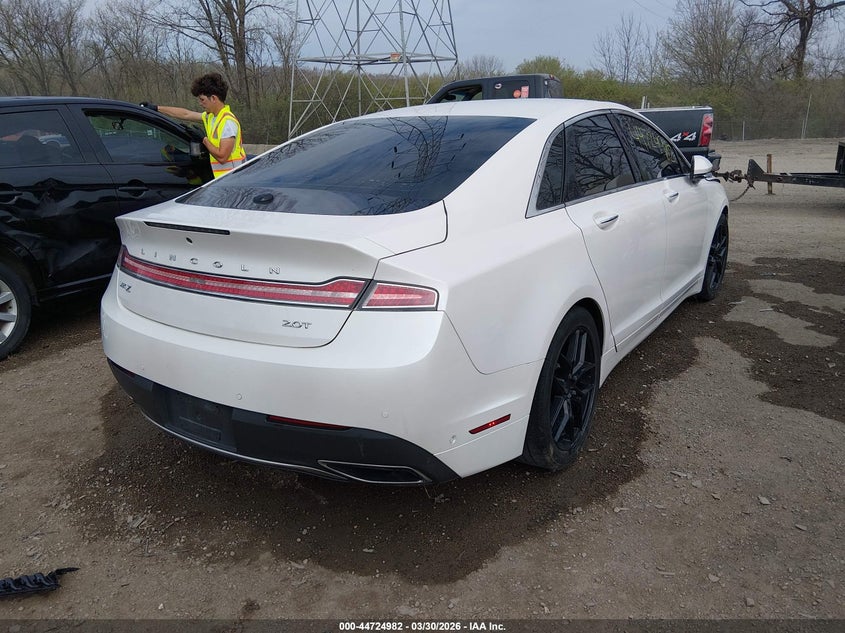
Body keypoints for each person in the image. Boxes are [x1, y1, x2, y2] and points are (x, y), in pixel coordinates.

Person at [141, 73, 246, 178]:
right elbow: (186, 114)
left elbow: (222, 157)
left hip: (235, 180)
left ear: (213, 98)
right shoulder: (212, 117)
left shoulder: (227, 122)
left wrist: (203, 139)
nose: (200, 103)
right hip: (224, 179)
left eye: (202, 99)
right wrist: (157, 108)